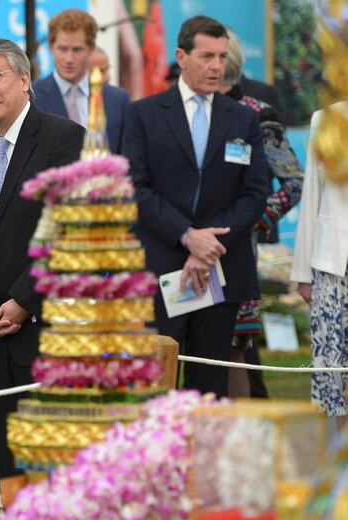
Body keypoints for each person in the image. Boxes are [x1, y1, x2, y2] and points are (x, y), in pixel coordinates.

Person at [0, 38, 84, 508]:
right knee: (12, 470)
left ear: (25, 79)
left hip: (52, 331)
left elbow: (70, 233)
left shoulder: (66, 139)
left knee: (58, 468)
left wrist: (25, 300)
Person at [121, 15, 268, 397]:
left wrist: (207, 246)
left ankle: (206, 458)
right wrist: (187, 236)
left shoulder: (244, 119)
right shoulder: (143, 114)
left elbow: (254, 192)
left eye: (222, 56)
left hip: (220, 269)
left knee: (210, 388)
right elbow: (135, 188)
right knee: (156, 384)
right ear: (181, 57)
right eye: (207, 56)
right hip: (161, 269)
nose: (217, 66)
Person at [218, 32, 303, 398]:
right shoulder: (180, 111)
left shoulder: (256, 114)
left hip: (237, 249)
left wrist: (253, 219)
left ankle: (239, 445)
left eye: (215, 57)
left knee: (234, 347)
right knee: (188, 350)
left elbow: (294, 182)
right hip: (184, 248)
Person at [291, 101, 348, 434]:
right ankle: (343, 467)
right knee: (337, 380)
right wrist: (302, 273)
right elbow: (311, 194)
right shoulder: (325, 119)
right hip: (332, 265)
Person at [32, 9, 129, 153]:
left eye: (77, 50)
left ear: (90, 49)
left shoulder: (118, 100)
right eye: (63, 49)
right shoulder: (31, 97)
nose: (69, 59)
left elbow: (126, 156)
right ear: (51, 47)